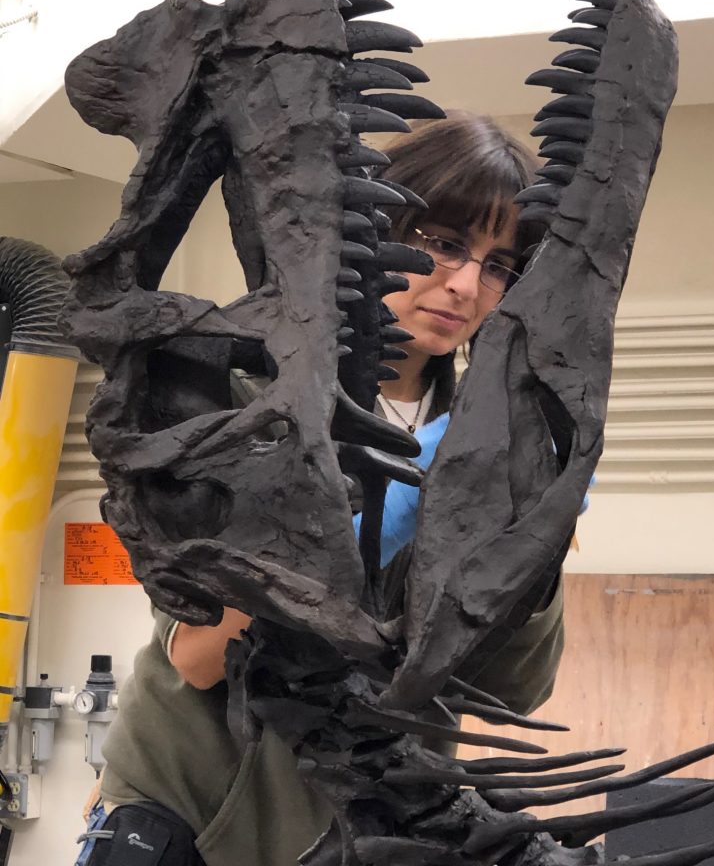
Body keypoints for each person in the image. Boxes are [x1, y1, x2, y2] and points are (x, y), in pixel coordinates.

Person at [76, 111, 565, 866]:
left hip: (367, 828)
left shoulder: (492, 444)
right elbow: (198, 657)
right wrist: (354, 528)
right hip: (190, 812)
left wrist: (538, 543)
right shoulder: (237, 398)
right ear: (375, 228)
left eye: (499, 264)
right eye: (442, 243)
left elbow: (512, 692)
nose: (466, 284)